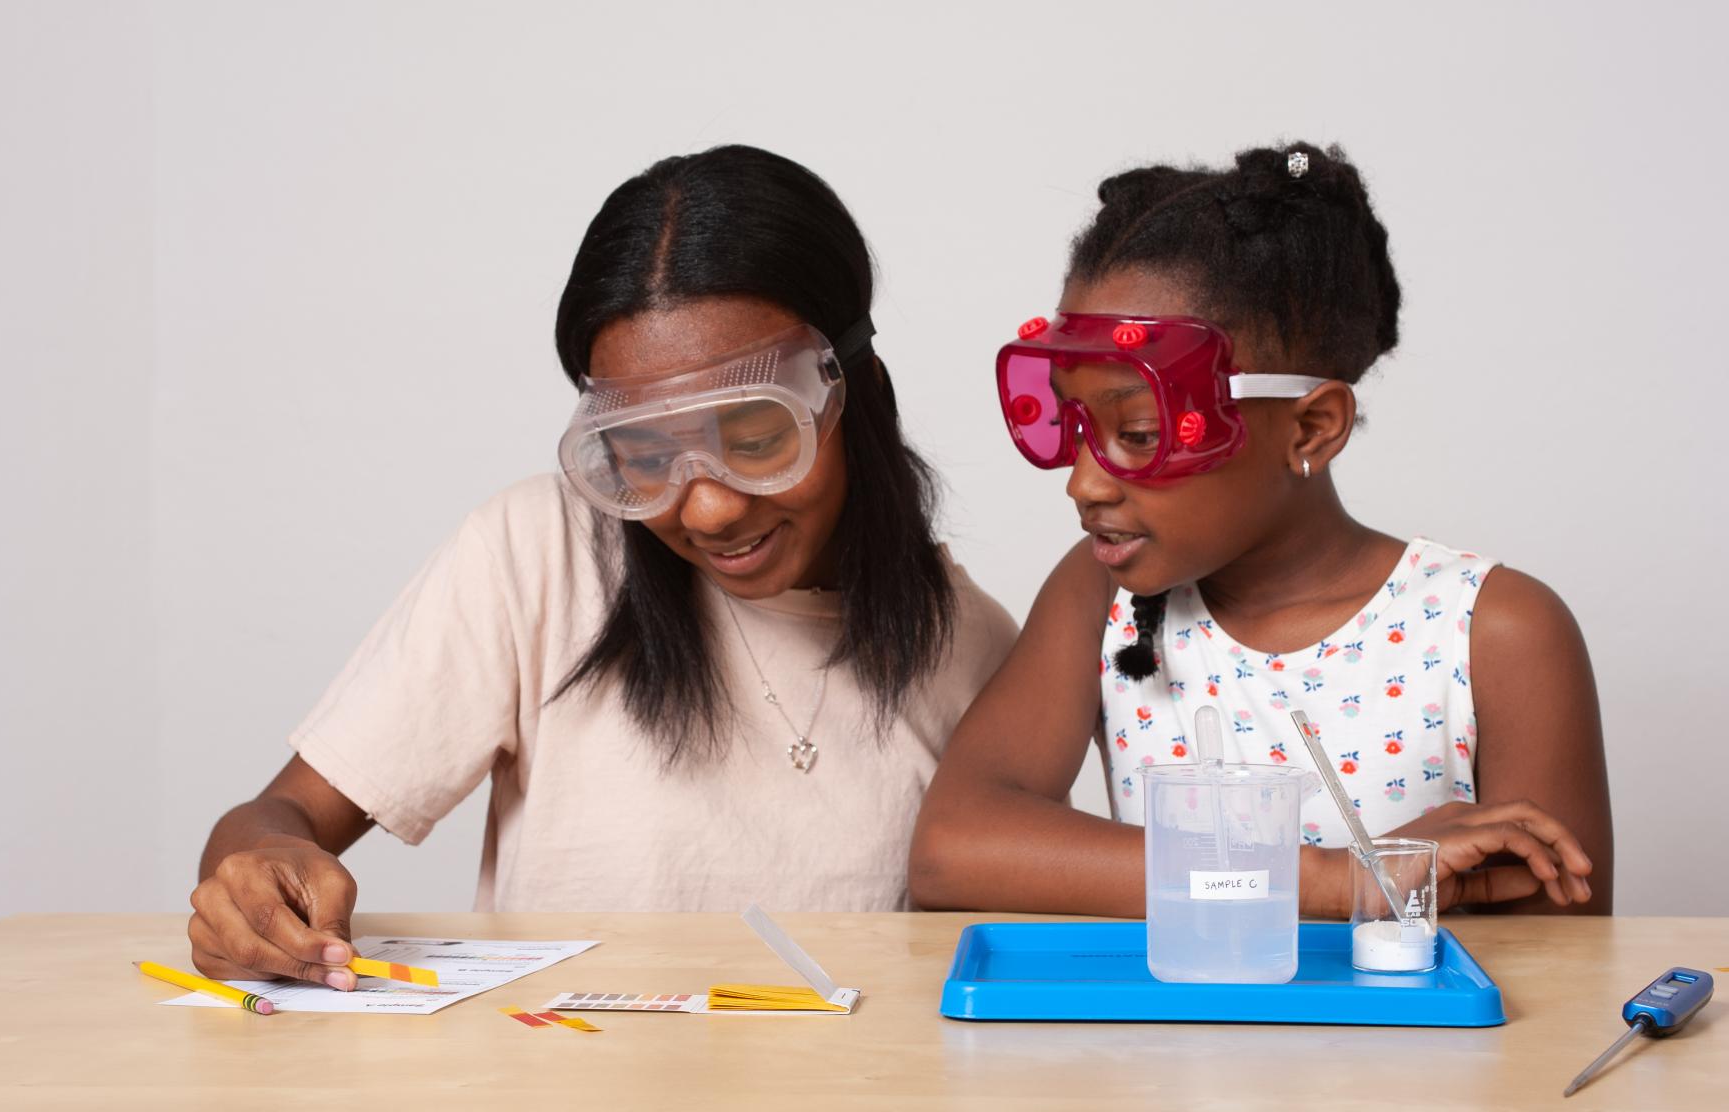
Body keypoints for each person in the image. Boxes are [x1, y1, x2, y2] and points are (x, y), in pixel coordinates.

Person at [189, 145, 1018, 989]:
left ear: (853, 390)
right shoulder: (538, 554)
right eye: (645, 456)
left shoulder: (976, 650)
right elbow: (277, 816)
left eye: (758, 438)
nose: (707, 509)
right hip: (558, 1108)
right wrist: (260, 871)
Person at [911, 142, 1611, 918]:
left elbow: (1562, 967)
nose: (1082, 480)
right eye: (1076, 426)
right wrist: (1335, 879)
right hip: (1163, 1042)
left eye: (1139, 434)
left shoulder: (1494, 631)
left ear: (1311, 427)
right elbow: (952, 850)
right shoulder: (1100, 594)